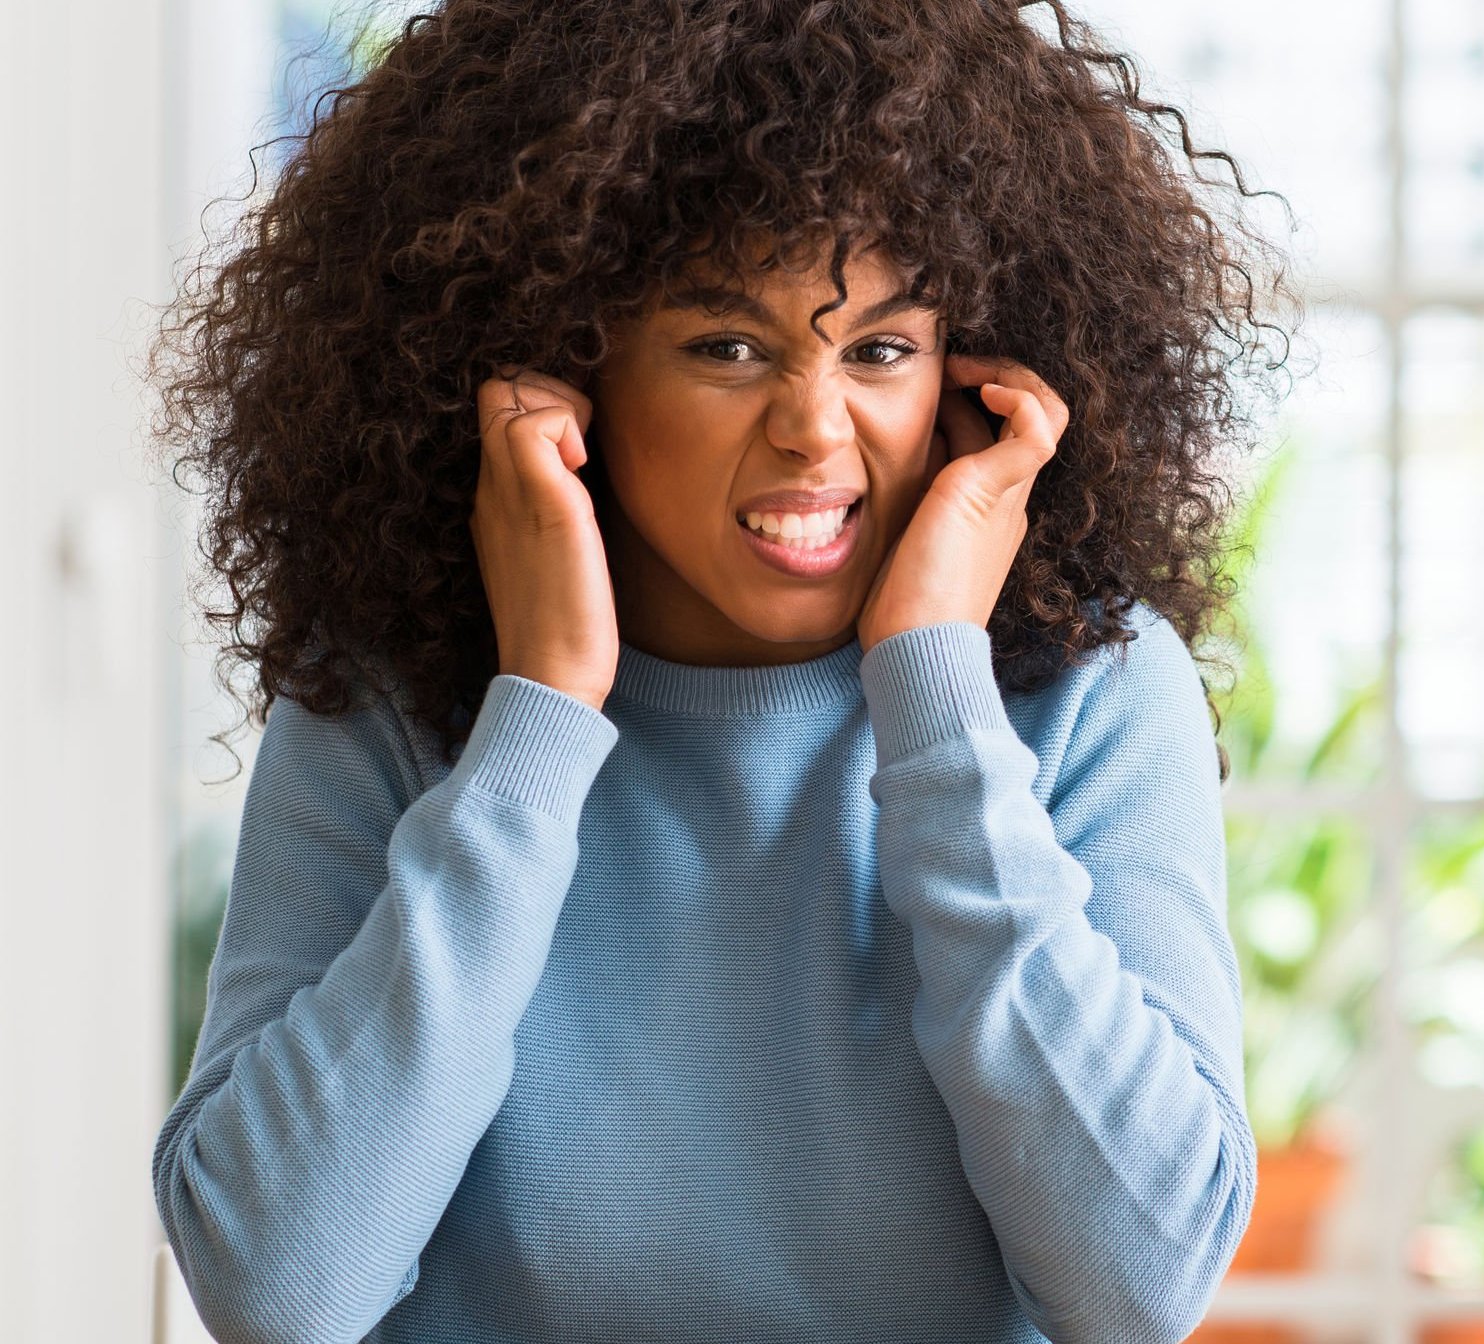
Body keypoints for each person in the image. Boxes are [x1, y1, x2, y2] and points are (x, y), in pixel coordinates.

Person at [142, 2, 1299, 1340]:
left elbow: (1140, 1284)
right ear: (563, 371)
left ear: (964, 376)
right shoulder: (399, 694)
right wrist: (537, 723)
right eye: (728, 347)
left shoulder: (1084, 687)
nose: (817, 429)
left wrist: (933, 694)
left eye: (878, 350)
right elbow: (278, 1292)